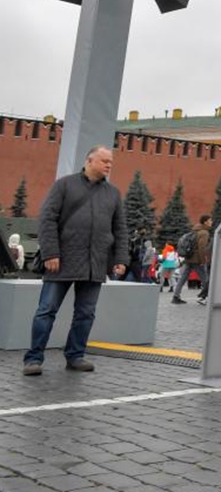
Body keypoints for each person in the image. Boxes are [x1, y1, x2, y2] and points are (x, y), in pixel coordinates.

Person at [23, 145, 128, 376]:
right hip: (61, 261)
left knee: (86, 313)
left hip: (95, 263)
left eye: (111, 162)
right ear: (90, 161)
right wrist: (51, 253)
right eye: (104, 161)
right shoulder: (65, 185)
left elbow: (119, 229)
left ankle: (75, 356)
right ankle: (33, 358)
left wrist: (120, 258)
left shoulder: (113, 193)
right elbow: (47, 219)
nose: (109, 165)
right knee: (46, 310)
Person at [171, 215, 212, 305]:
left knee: (183, 278)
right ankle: (204, 298)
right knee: (205, 279)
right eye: (210, 220)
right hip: (197, 259)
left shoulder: (195, 230)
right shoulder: (204, 232)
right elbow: (202, 247)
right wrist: (203, 260)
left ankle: (175, 296)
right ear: (205, 222)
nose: (211, 222)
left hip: (189, 258)